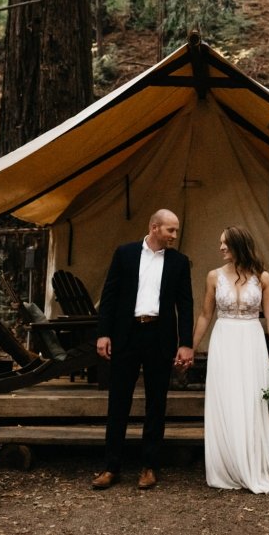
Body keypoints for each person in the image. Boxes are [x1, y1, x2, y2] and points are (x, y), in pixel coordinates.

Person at [192, 225, 269, 494]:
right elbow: (206, 315)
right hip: (225, 339)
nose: (220, 248)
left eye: (225, 244)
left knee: (253, 400)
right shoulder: (213, 276)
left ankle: (255, 463)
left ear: (239, 246)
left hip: (252, 340)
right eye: (220, 243)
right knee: (227, 398)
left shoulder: (262, 277)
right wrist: (190, 347)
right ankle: (229, 464)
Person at [92, 208, 194, 490]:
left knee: (156, 403)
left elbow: (185, 305)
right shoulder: (124, 254)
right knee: (118, 402)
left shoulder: (179, 262)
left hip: (160, 336)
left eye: (176, 230)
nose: (175, 235)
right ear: (154, 227)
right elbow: (109, 297)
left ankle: (149, 466)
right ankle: (111, 467)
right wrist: (103, 334)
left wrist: (185, 343)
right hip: (127, 334)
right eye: (170, 230)